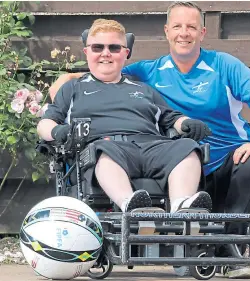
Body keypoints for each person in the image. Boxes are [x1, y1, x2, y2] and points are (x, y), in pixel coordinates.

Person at [49, 1, 250, 279]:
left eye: (191, 27)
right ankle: (170, 226)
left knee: (246, 161)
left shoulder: (221, 65)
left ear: (202, 32)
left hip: (221, 160)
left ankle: (228, 250)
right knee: (115, 151)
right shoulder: (149, 71)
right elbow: (104, 74)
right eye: (178, 26)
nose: (184, 33)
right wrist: (64, 84)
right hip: (169, 166)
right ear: (167, 31)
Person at [37, 18, 213, 215]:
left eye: (114, 47)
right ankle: (132, 205)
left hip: (152, 147)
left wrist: (188, 123)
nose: (105, 53)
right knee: (103, 150)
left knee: (187, 147)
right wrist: (56, 131)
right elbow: (45, 123)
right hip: (107, 147)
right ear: (87, 52)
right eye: (97, 47)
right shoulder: (73, 88)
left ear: (125, 53)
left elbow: (171, 118)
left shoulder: (143, 89)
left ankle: (181, 206)